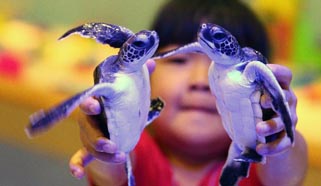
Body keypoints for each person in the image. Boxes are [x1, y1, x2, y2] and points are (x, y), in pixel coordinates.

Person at [69, 0, 307, 185]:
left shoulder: (259, 164)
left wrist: (278, 134)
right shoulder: (137, 151)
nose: (201, 81)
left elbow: (288, 172)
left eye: (225, 69)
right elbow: (109, 169)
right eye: (179, 60)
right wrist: (103, 135)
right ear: (146, 72)